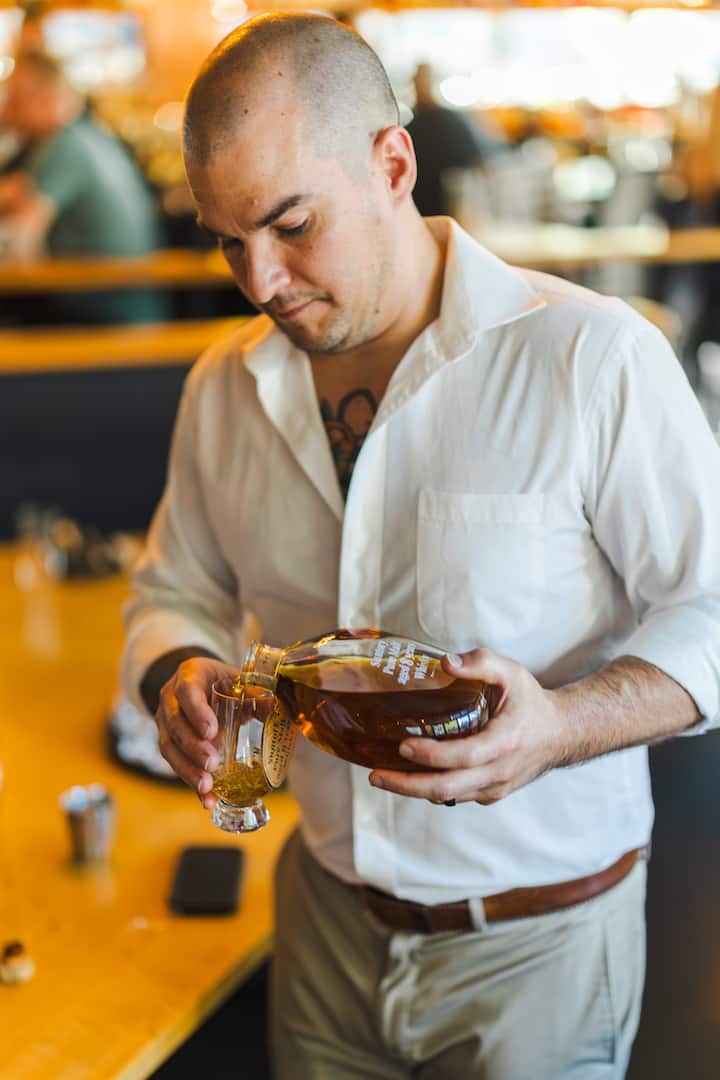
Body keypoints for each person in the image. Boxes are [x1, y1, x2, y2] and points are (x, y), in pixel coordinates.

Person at [121, 14, 720, 1079]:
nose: (261, 279)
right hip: (319, 922)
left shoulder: (592, 357)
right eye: (227, 240)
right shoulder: (224, 386)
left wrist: (562, 726)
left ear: (393, 164)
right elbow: (173, 587)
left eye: (291, 224)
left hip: (536, 948)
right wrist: (178, 670)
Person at [0, 49, 170, 325]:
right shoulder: (90, 135)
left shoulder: (65, 146)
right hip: (128, 303)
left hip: (108, 316)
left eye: (15, 96)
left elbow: (20, 241)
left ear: (44, 96)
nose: (7, 105)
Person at [406, 60, 505, 217]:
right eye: (417, 81)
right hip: (420, 205)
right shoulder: (412, 123)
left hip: (447, 205)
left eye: (423, 80)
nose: (419, 86)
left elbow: (475, 159)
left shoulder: (449, 121)